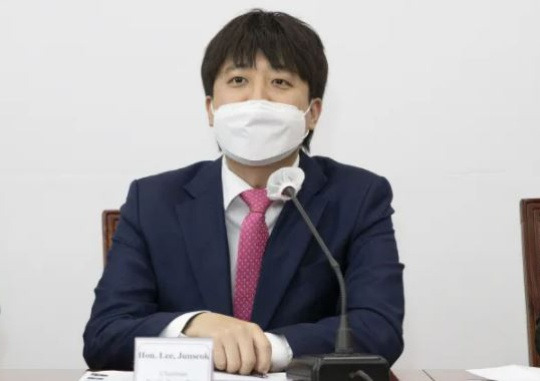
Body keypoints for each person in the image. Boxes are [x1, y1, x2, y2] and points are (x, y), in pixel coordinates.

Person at [83, 9, 405, 375]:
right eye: (238, 80)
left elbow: (379, 329)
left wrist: (267, 347)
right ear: (210, 108)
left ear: (313, 113)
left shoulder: (359, 197)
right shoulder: (153, 201)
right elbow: (104, 337)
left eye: (280, 82)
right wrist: (193, 326)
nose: (257, 100)